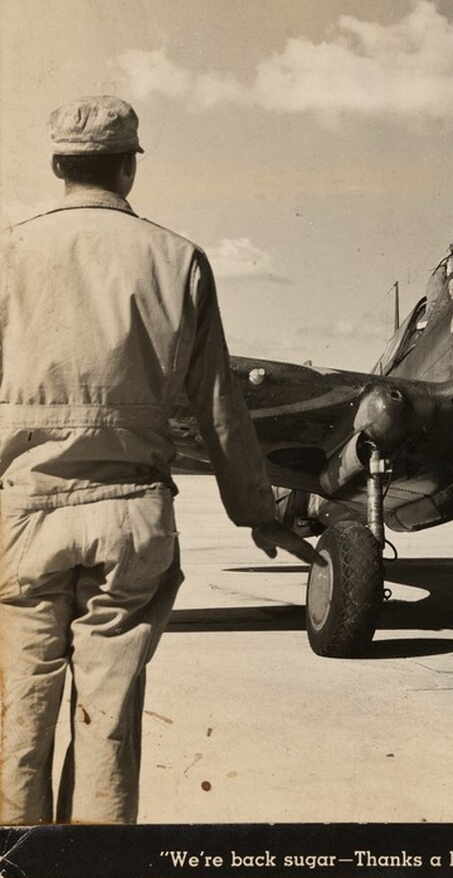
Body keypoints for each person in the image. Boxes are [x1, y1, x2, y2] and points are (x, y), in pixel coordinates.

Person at [0, 96, 307, 825]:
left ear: (56, 165)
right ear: (129, 168)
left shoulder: (8, 253)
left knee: (17, 714)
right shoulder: (178, 260)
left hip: (22, 517)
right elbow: (219, 403)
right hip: (132, 517)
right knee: (107, 719)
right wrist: (255, 509)